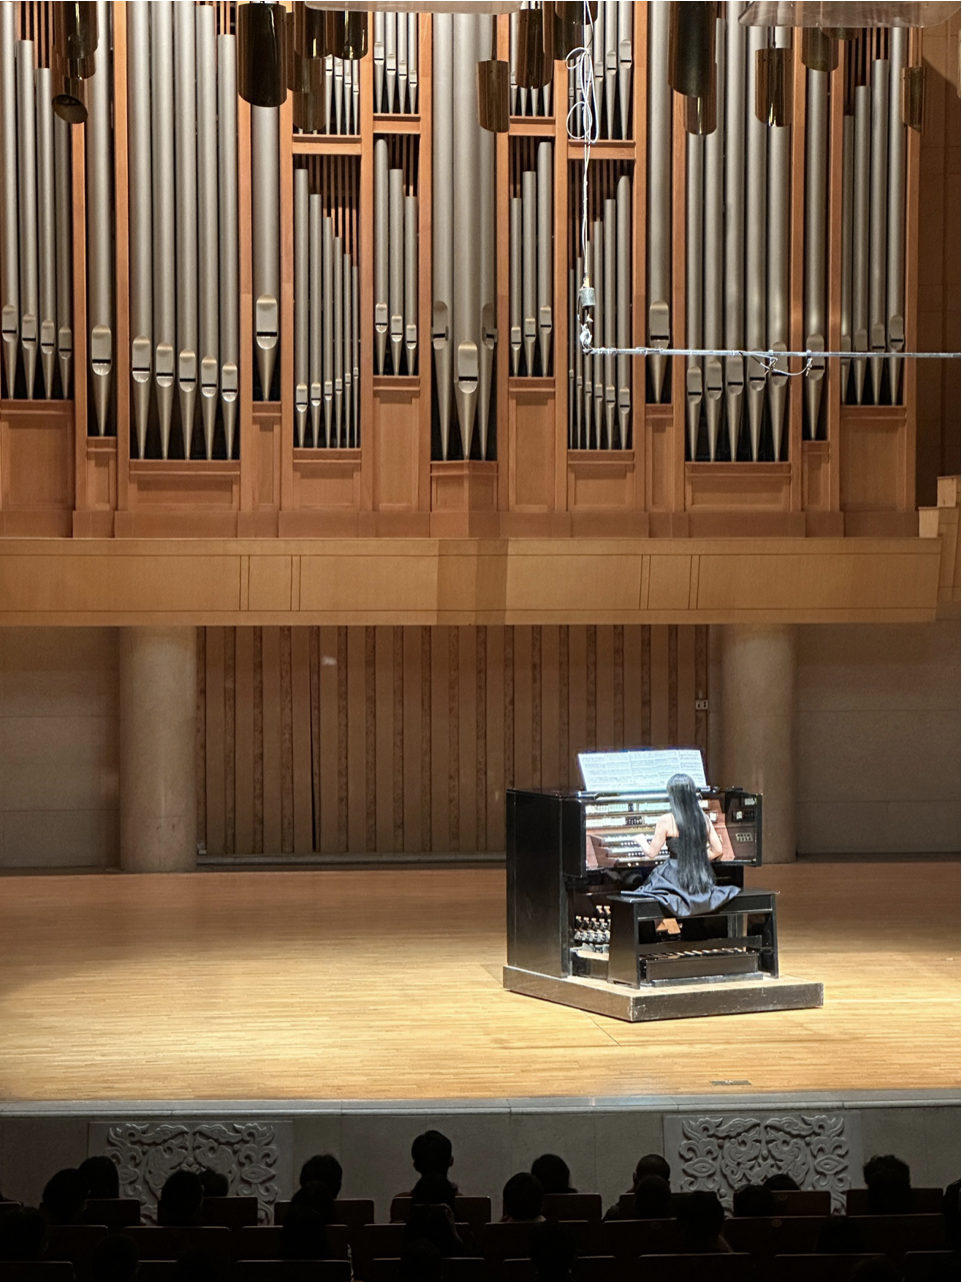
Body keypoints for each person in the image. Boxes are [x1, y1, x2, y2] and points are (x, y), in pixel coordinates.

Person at [618, 773, 737, 923]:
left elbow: (651, 853)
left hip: (672, 880)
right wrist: (694, 858)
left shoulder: (666, 820)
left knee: (643, 890)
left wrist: (641, 840)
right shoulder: (703, 818)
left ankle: (651, 933)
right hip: (698, 878)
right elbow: (717, 850)